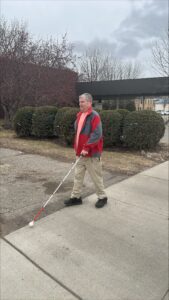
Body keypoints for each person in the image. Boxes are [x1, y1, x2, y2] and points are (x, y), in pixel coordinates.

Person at [64, 93, 107, 208]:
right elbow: (78, 133)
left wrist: (86, 148)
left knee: (96, 177)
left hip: (91, 154)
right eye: (79, 102)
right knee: (78, 176)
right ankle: (76, 197)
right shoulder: (80, 115)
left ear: (89, 102)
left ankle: (102, 197)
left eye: (82, 102)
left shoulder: (94, 116)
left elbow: (97, 134)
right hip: (80, 154)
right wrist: (78, 149)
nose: (80, 104)